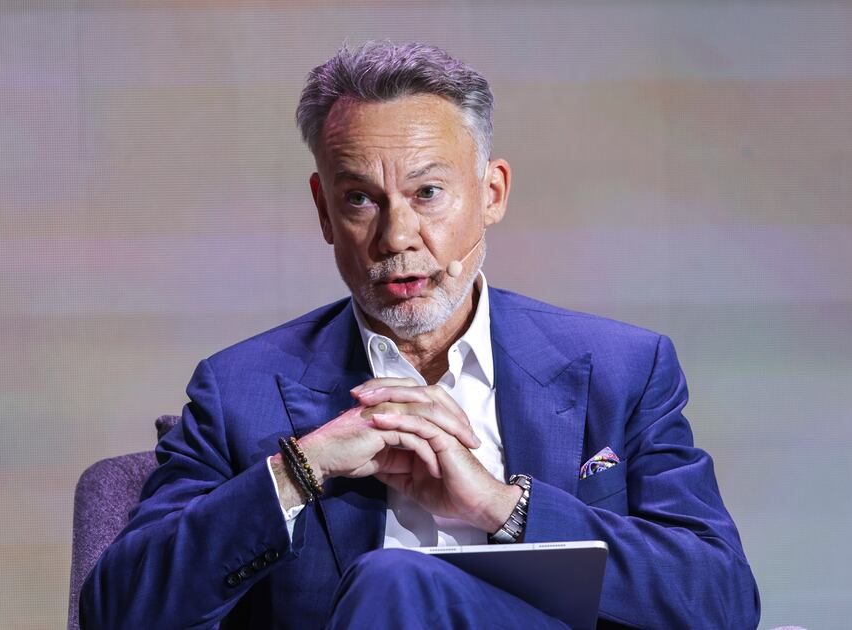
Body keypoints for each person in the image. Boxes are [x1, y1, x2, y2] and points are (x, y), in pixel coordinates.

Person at [80, 41, 760, 629]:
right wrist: (301, 469)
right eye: (360, 199)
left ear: (491, 193)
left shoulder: (624, 368)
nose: (397, 237)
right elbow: (120, 613)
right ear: (323, 211)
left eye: (427, 193)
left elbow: (721, 600)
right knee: (391, 580)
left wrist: (503, 506)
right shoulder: (240, 391)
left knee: (395, 578)